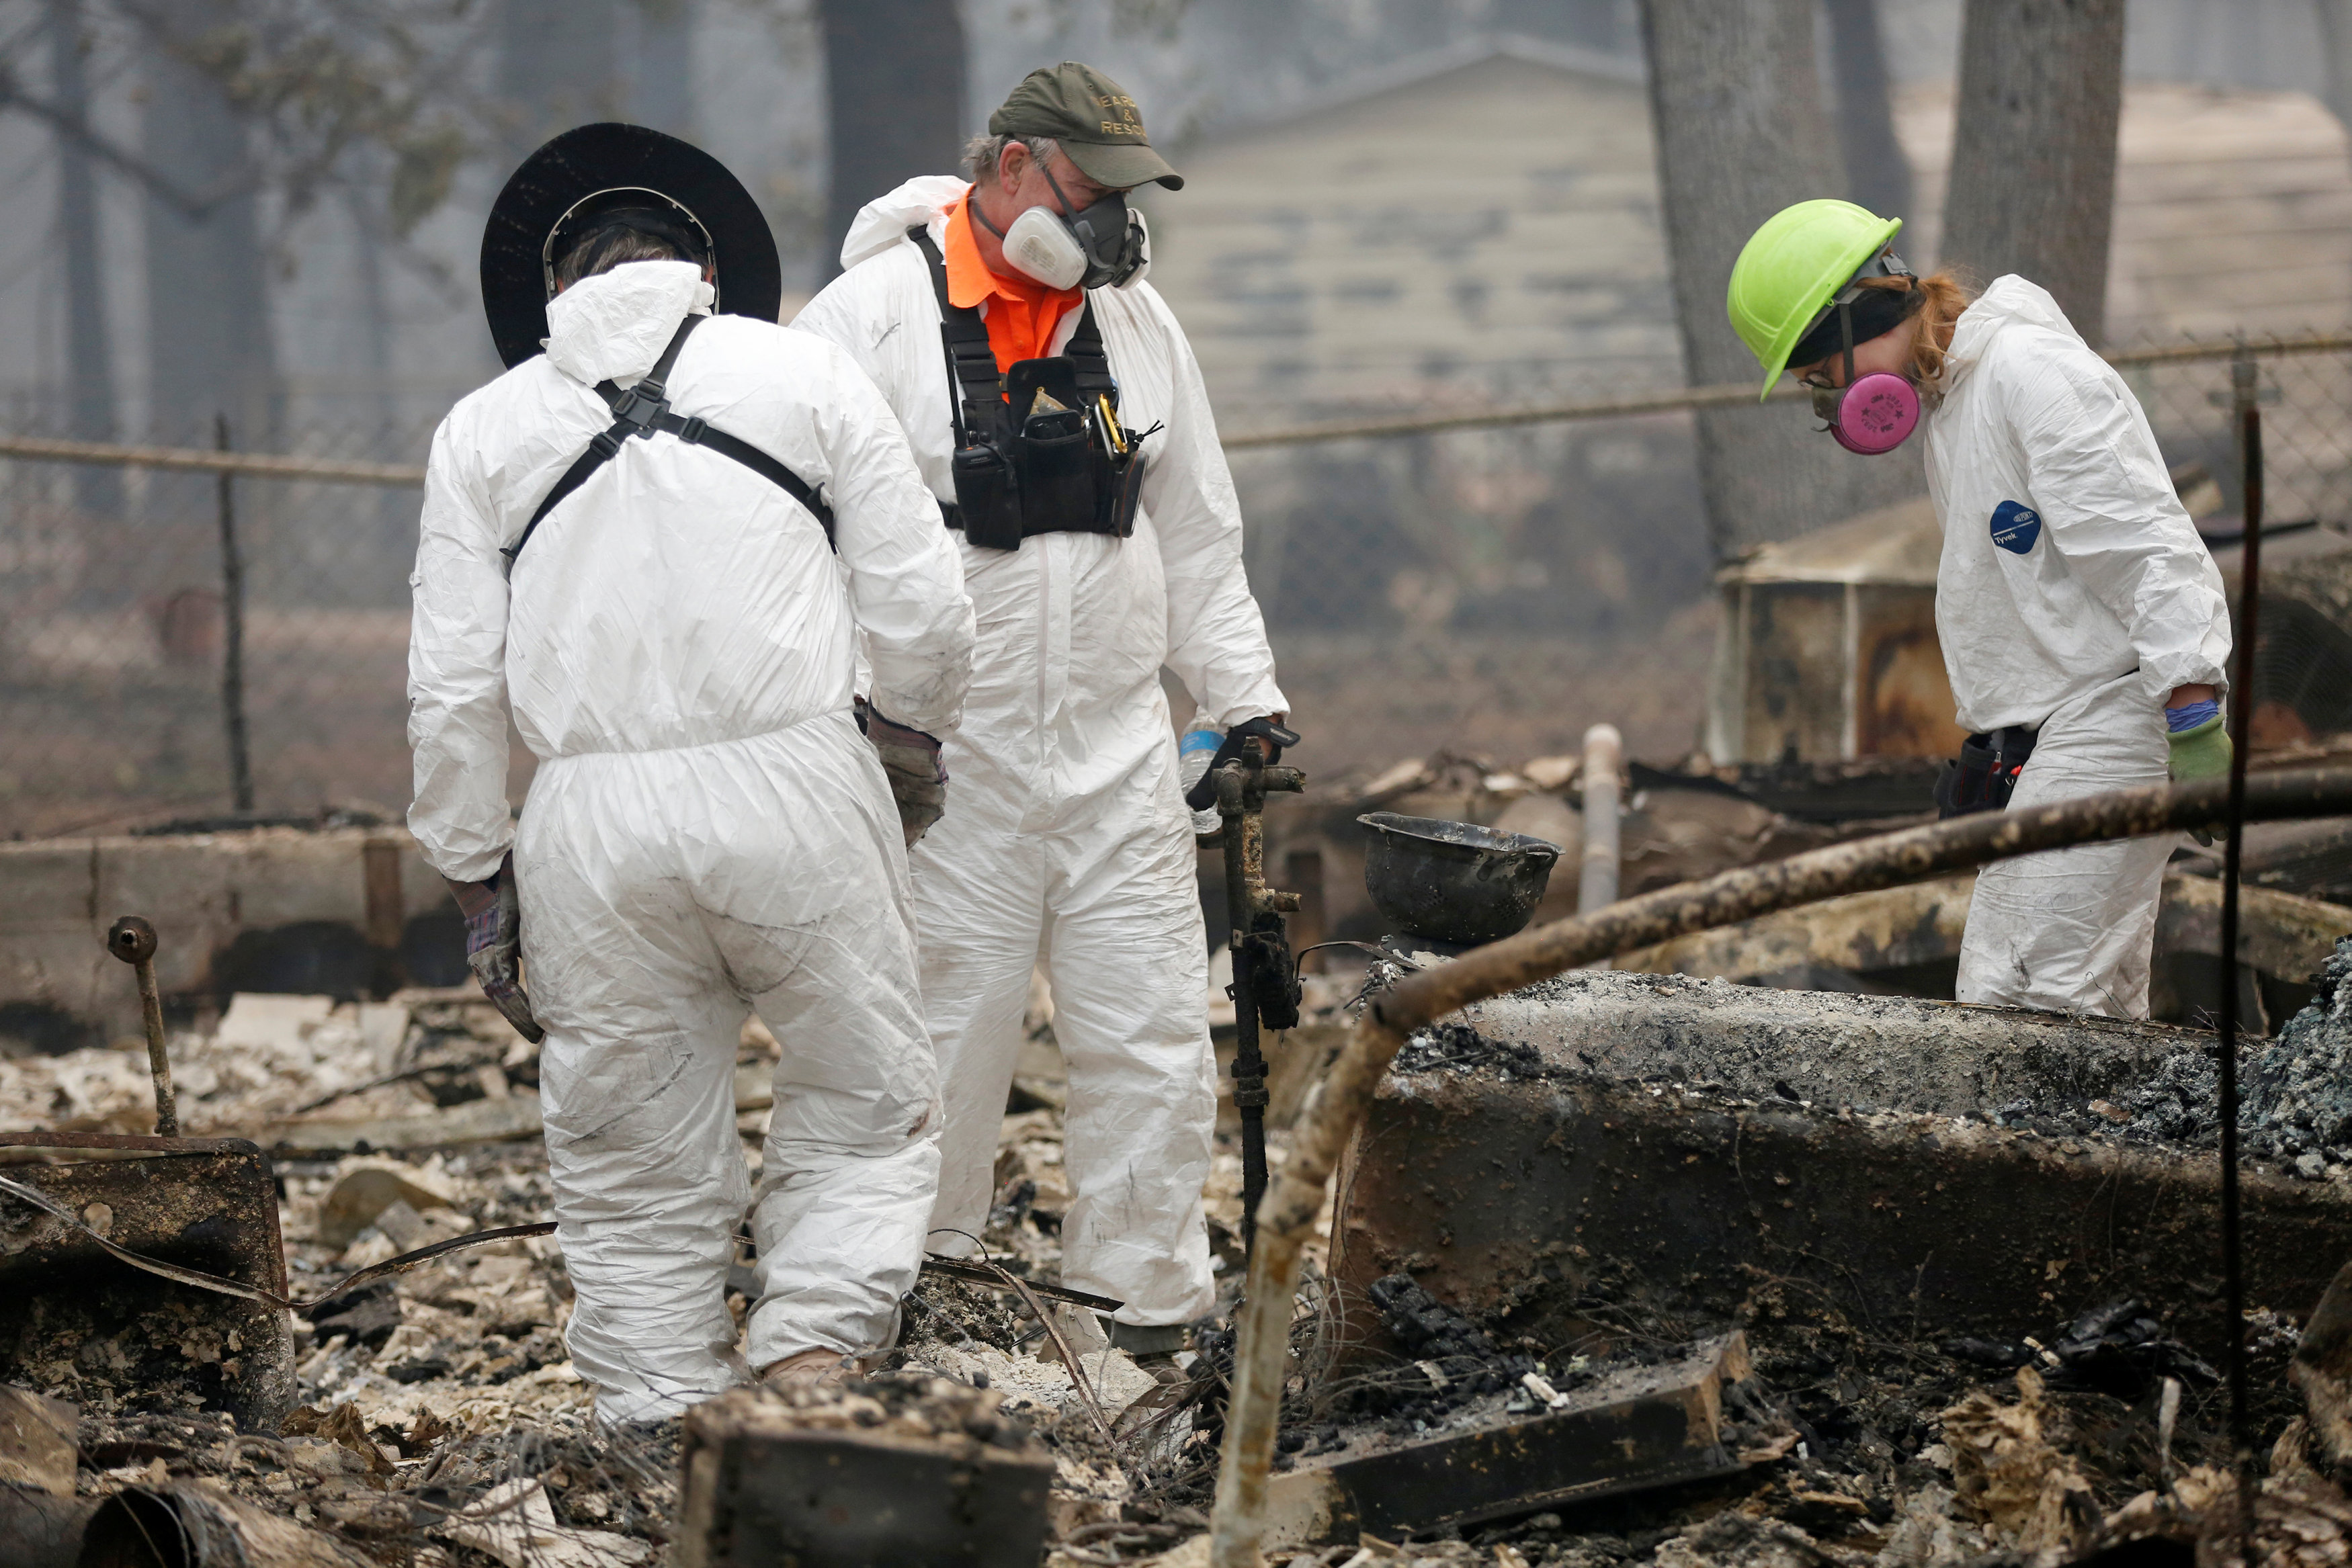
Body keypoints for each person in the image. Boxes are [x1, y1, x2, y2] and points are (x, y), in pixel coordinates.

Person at [408, 123, 975, 1422]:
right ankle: (811, 1356)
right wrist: (906, 740)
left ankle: (659, 1424)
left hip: (587, 820)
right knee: (864, 1086)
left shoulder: (482, 430)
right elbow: (928, 611)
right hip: (798, 777)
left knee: (630, 1146)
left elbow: (450, 688)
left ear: (550, 290)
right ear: (708, 270)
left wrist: (474, 875)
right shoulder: (805, 374)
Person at [793, 62, 1290, 1355]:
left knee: (1154, 1039)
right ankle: (928, 1302)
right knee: (940, 1045)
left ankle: (1145, 1319)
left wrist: (1243, 699)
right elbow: (796, 555)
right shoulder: (865, 324)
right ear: (1012, 170)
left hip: (1122, 751)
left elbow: (1196, 533)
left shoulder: (1138, 325)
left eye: (1129, 196)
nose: (1116, 223)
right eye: (1090, 190)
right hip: (944, 764)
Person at [1726, 199, 2233, 1019]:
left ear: (1854, 322)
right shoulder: (1954, 402)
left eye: (1822, 381)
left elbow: (2145, 546)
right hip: (2059, 728)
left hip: (2112, 713)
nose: (1831, 406)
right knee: (2057, 994)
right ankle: (2125, 1143)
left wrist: (2193, 717)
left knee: (2035, 998)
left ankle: (2056, 1145)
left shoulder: (2031, 375)